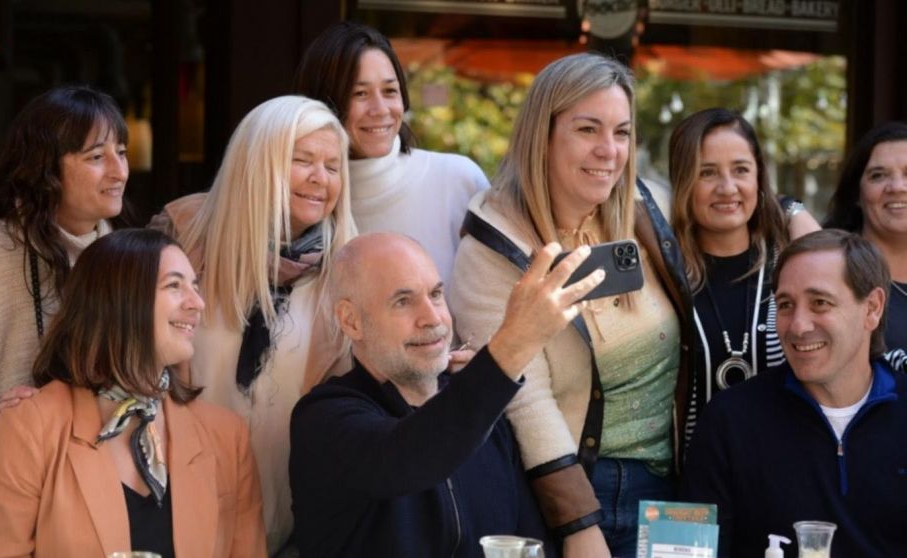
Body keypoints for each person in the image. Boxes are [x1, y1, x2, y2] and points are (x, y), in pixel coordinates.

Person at [450, 53, 694, 557]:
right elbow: (524, 398)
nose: (609, 150)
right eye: (588, 129)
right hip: (564, 494)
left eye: (622, 132)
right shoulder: (494, 243)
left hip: (670, 492)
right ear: (543, 134)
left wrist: (796, 217)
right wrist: (579, 526)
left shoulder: (646, 208)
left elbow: (736, 205)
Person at [291, 232, 605, 557]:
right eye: (403, 301)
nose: (432, 318)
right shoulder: (323, 419)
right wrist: (514, 344)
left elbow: (528, 545)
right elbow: (407, 458)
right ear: (351, 321)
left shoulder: (484, 414)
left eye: (436, 294)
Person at [0, 85, 129, 555]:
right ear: (46, 169)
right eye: (97, 156)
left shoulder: (123, 261)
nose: (119, 171)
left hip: (90, 527)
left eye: (122, 151)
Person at [0, 229, 266, 557]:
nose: (197, 303)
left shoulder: (227, 438)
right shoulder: (25, 431)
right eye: (175, 285)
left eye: (195, 286)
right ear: (118, 299)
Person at [148, 95, 356, 553]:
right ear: (257, 163)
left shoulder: (348, 272)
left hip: (286, 529)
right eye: (302, 161)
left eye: (333, 165)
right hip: (171, 515)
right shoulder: (182, 235)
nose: (320, 179)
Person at [680, 229, 907, 557]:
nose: (798, 325)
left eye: (820, 303)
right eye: (785, 305)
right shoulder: (729, 420)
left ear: (872, 308)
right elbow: (688, 548)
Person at [294, 21, 489, 287]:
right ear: (324, 101)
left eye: (389, 91)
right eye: (360, 93)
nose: (380, 109)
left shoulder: (458, 180)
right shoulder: (306, 197)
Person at [668, 108, 819, 425]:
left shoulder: (789, 263)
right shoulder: (665, 272)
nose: (727, 187)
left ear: (758, 177)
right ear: (683, 181)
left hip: (788, 460)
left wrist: (792, 210)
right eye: (707, 173)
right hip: (694, 468)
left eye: (740, 170)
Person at [825, 121, 907, 353]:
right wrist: (794, 210)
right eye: (878, 175)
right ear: (857, 195)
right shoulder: (832, 271)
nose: (897, 187)